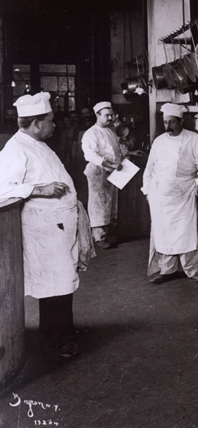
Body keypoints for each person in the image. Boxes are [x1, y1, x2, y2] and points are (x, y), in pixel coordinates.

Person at [0, 92, 93, 358]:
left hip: (56, 226)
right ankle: (58, 340)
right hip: (43, 229)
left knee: (60, 282)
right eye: (50, 120)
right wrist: (40, 189)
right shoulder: (16, 149)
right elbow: (2, 188)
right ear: (37, 123)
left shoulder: (35, 142)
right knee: (54, 284)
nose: (55, 124)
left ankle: (63, 329)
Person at [143, 103, 198, 284]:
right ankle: (167, 270)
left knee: (186, 232)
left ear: (181, 121)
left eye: (172, 122)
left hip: (184, 191)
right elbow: (149, 168)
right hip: (160, 193)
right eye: (165, 122)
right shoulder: (159, 141)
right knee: (163, 232)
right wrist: (148, 189)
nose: (168, 127)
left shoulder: (194, 139)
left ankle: (191, 269)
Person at [81, 101, 130, 249]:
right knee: (99, 204)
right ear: (97, 115)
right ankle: (99, 237)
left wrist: (130, 153)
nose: (110, 118)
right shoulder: (91, 133)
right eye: (107, 115)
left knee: (111, 203)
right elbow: (91, 155)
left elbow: (114, 151)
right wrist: (111, 164)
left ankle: (110, 235)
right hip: (98, 171)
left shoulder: (110, 131)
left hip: (113, 170)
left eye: (111, 115)